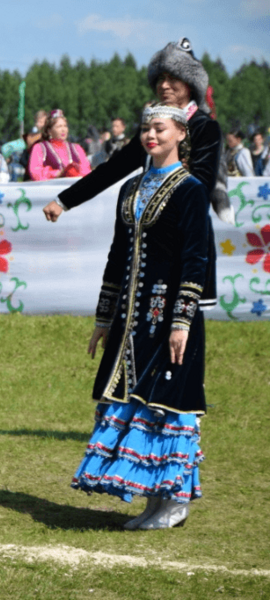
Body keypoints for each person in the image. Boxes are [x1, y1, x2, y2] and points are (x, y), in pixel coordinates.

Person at [71, 103, 211, 530]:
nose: (151, 135)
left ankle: (174, 502)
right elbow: (117, 256)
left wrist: (182, 321)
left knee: (166, 404)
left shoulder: (190, 189)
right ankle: (153, 500)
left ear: (181, 134)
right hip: (130, 320)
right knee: (133, 403)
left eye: (160, 128)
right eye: (146, 128)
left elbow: (195, 259)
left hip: (167, 316)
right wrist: (103, 317)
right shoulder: (130, 188)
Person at [43, 37, 227, 309]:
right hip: (148, 240)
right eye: (160, 78)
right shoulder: (151, 130)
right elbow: (111, 169)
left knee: (182, 331)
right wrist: (63, 201)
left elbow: (201, 186)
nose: (164, 85)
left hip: (185, 241)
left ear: (190, 82)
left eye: (173, 77)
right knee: (142, 321)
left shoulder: (204, 127)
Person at [28, 109, 92, 181]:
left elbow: (87, 170)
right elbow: (36, 173)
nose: (63, 129)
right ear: (49, 131)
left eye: (65, 126)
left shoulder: (77, 148)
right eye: (59, 126)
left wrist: (75, 171)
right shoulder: (40, 148)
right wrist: (58, 173)